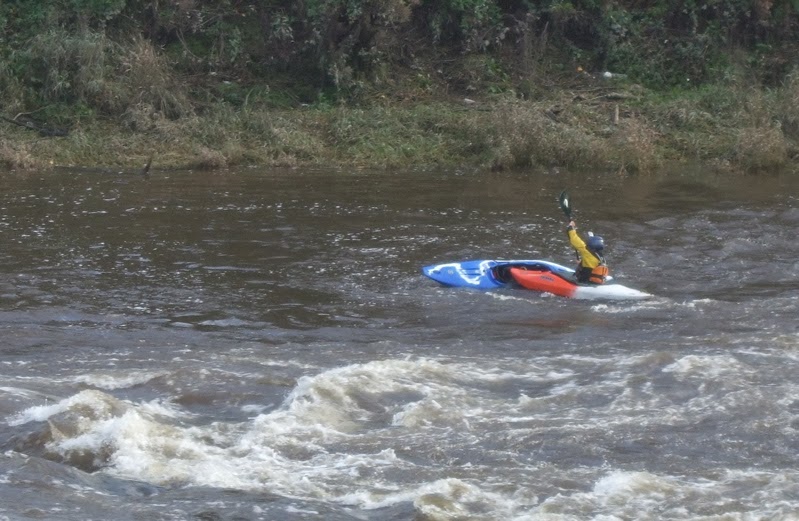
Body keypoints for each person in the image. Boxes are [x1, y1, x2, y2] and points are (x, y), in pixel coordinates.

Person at [567, 220, 609, 284]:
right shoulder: (600, 256)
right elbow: (592, 265)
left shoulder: (586, 251)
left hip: (584, 280)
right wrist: (581, 263)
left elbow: (574, 239)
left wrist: (571, 227)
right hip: (595, 279)